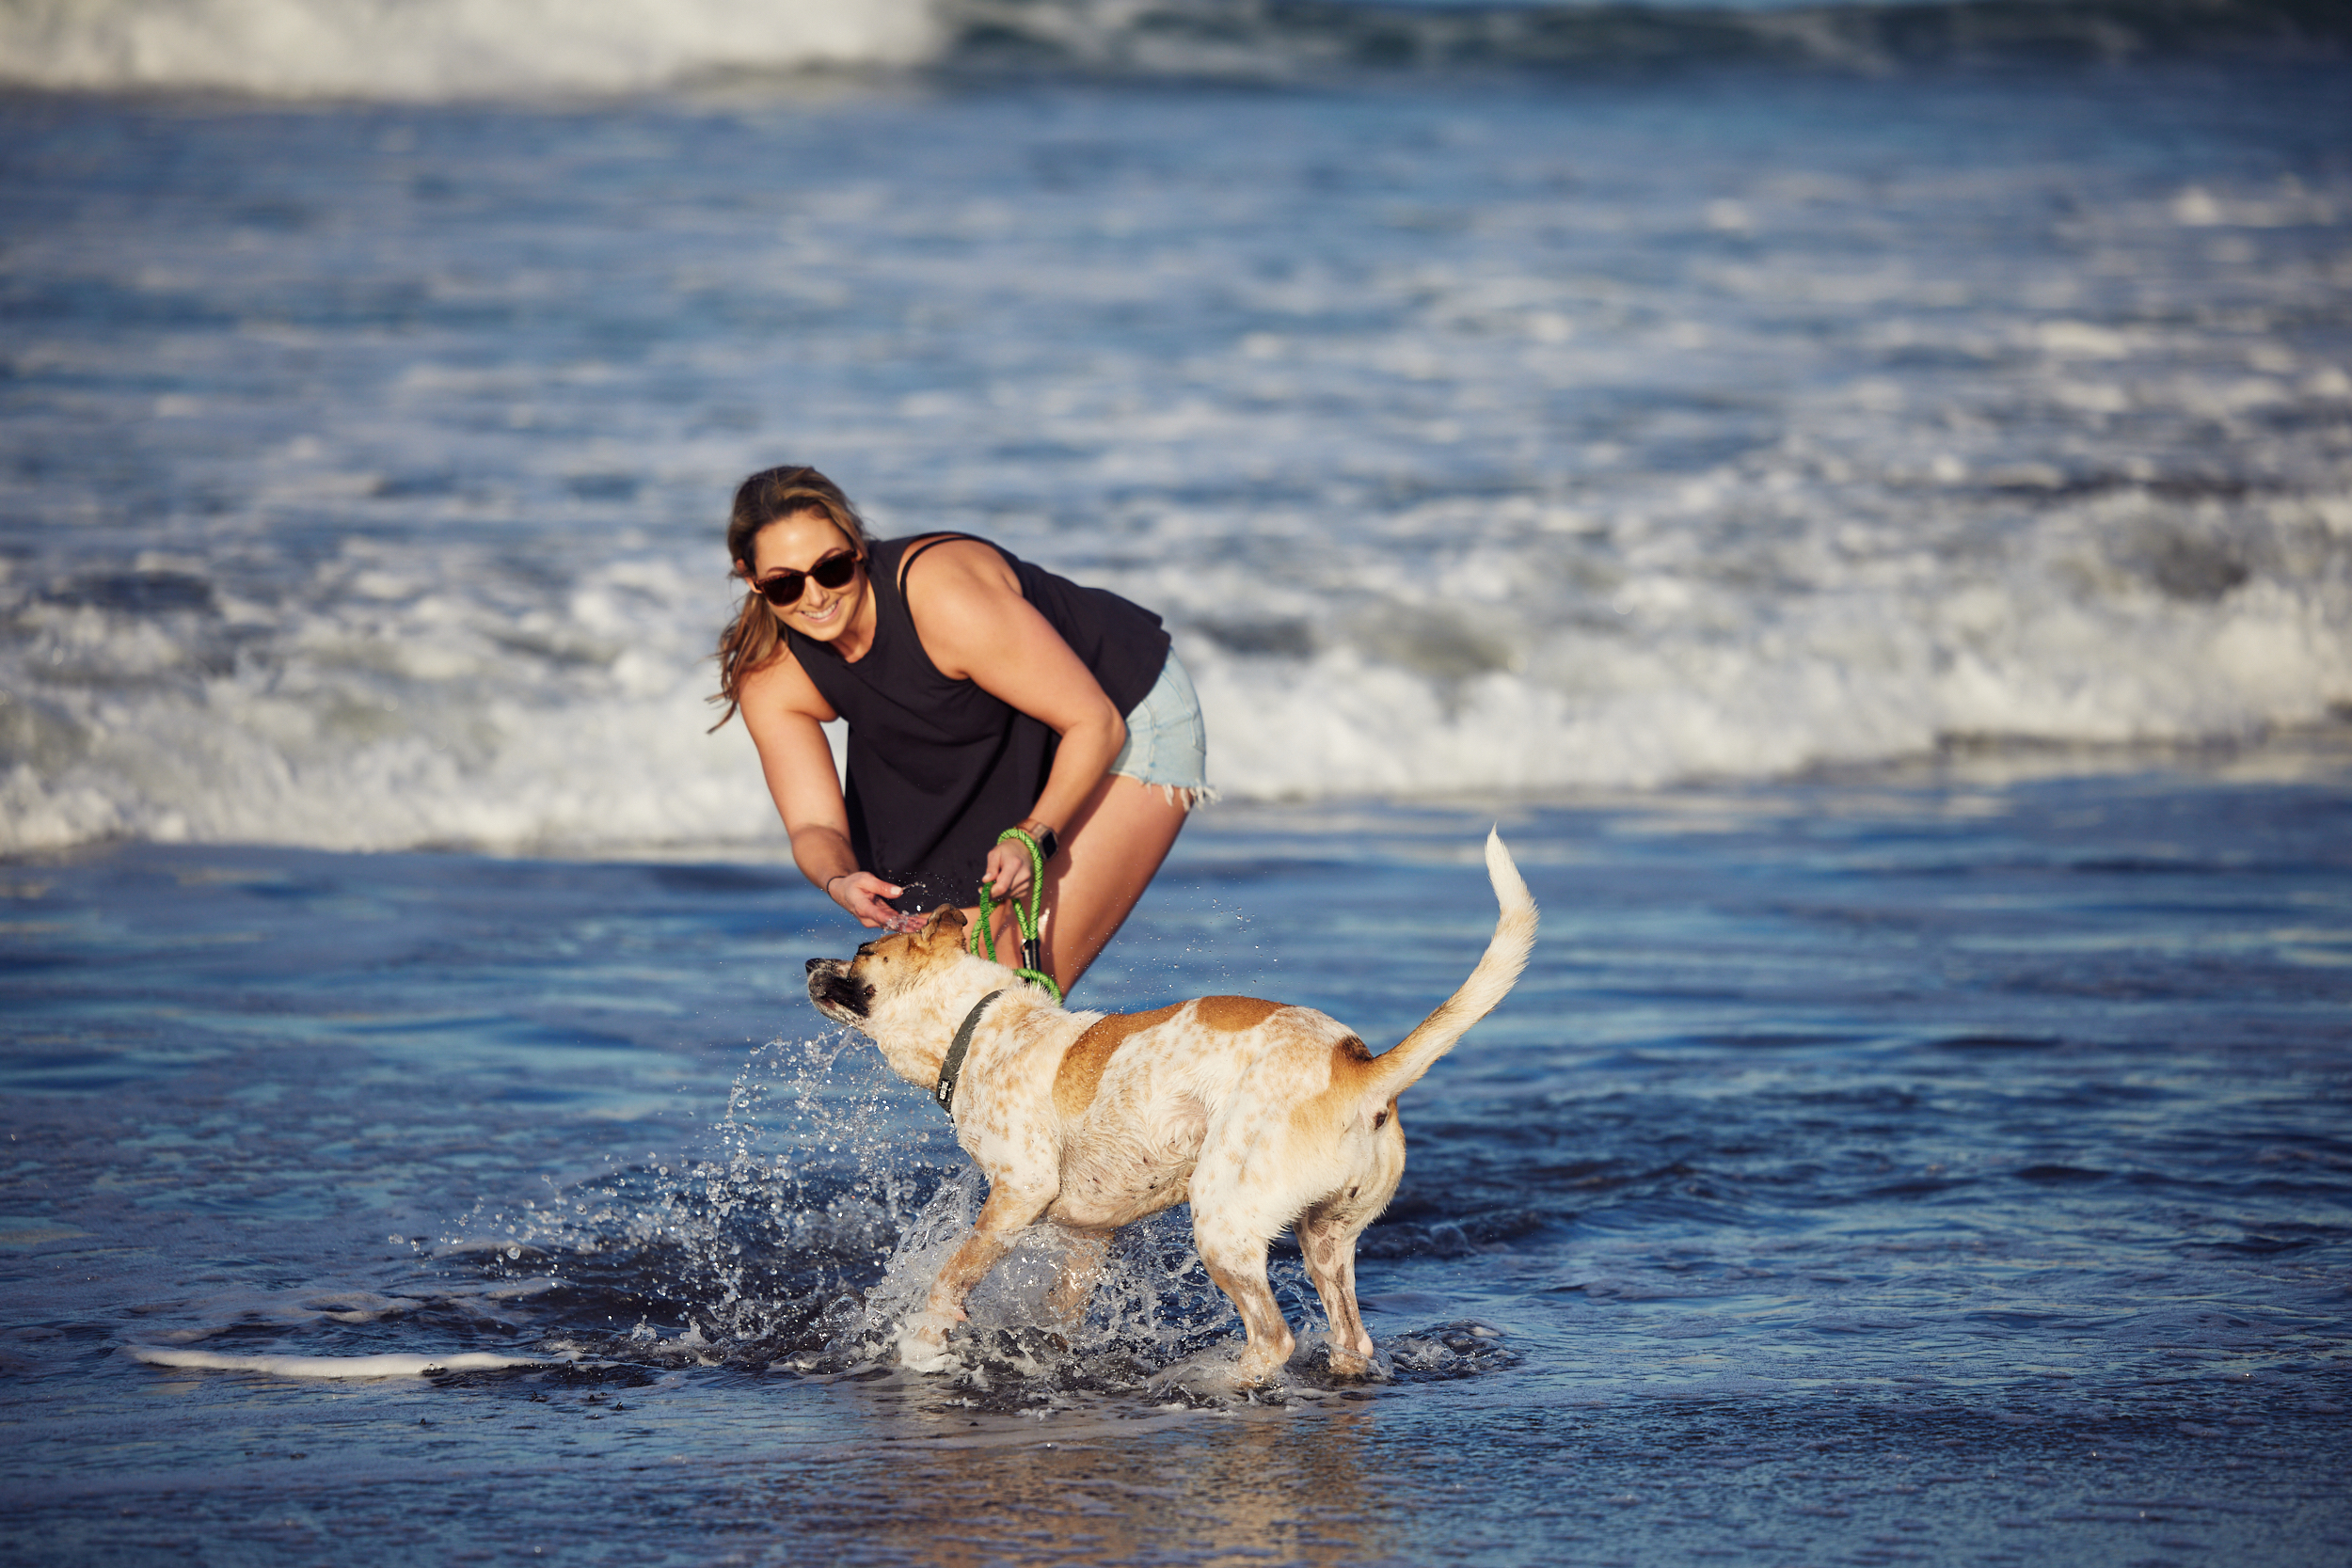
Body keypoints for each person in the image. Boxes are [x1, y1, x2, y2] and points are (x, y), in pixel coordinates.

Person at [712, 466, 1210, 993]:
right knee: (949, 981)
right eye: (785, 583)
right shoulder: (770, 674)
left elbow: (1095, 723)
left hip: (1125, 710)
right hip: (996, 734)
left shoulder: (943, 599)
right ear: (752, 579)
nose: (814, 596)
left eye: (831, 569)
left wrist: (1032, 833)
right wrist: (839, 879)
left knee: (1006, 992)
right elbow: (815, 827)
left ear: (856, 545)